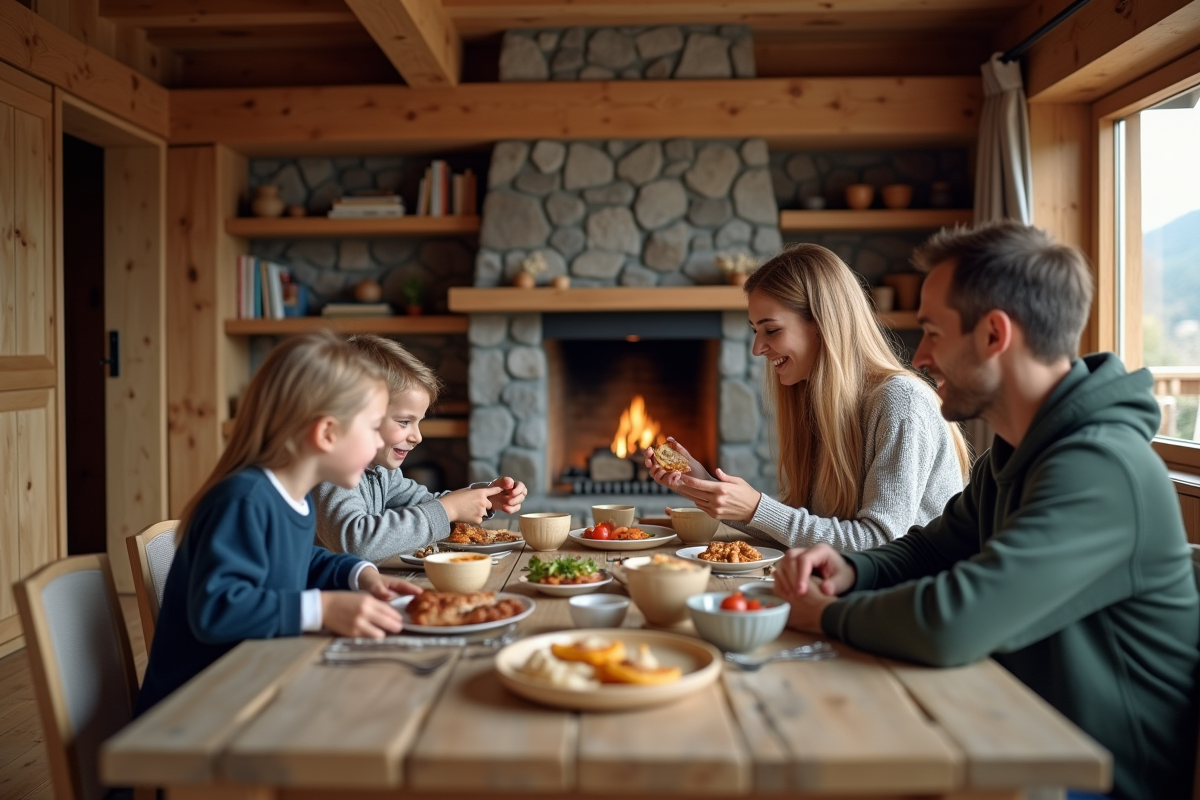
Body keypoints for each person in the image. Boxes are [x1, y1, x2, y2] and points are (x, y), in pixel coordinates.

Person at [775, 221, 1199, 800]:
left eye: (931, 332)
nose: (920, 357)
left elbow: (954, 621)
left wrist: (821, 616)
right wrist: (852, 569)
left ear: (994, 334)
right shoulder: (1017, 452)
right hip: (1006, 737)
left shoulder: (1101, 470)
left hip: (1082, 783)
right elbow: (931, 546)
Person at [137, 331, 422, 714]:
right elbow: (219, 610)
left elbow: (298, 561)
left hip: (255, 684)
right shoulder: (243, 501)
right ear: (326, 433)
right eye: (373, 428)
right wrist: (321, 609)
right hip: (198, 712)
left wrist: (359, 574)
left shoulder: (292, 498)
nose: (377, 445)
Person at [646, 243, 970, 550]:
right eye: (754, 331)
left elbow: (880, 542)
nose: (757, 348)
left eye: (771, 330)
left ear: (822, 324)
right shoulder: (821, 402)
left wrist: (756, 507)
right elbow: (812, 534)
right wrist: (705, 486)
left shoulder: (901, 402)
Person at [315, 335, 527, 564]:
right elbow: (357, 542)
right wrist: (449, 510)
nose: (417, 437)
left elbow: (424, 505)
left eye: (418, 422)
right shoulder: (332, 470)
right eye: (404, 422)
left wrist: (485, 497)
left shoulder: (381, 471)